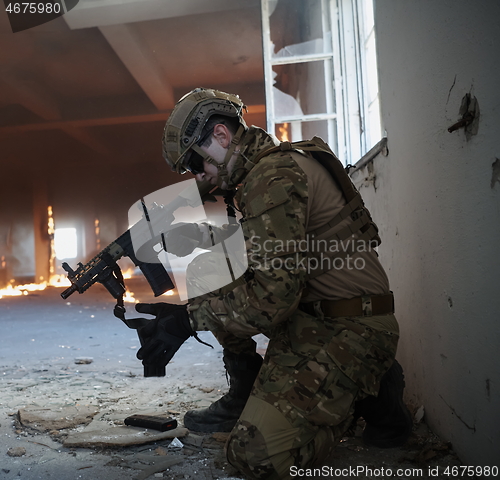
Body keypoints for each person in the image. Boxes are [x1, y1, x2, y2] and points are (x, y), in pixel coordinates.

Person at [134, 88, 413, 479]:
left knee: (254, 456)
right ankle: (247, 392)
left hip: (351, 327)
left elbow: (272, 298)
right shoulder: (261, 173)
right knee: (209, 270)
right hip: (312, 315)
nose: (197, 175)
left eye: (196, 162)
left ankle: (369, 393)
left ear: (221, 136)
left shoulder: (273, 176)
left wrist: (185, 320)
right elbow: (260, 253)